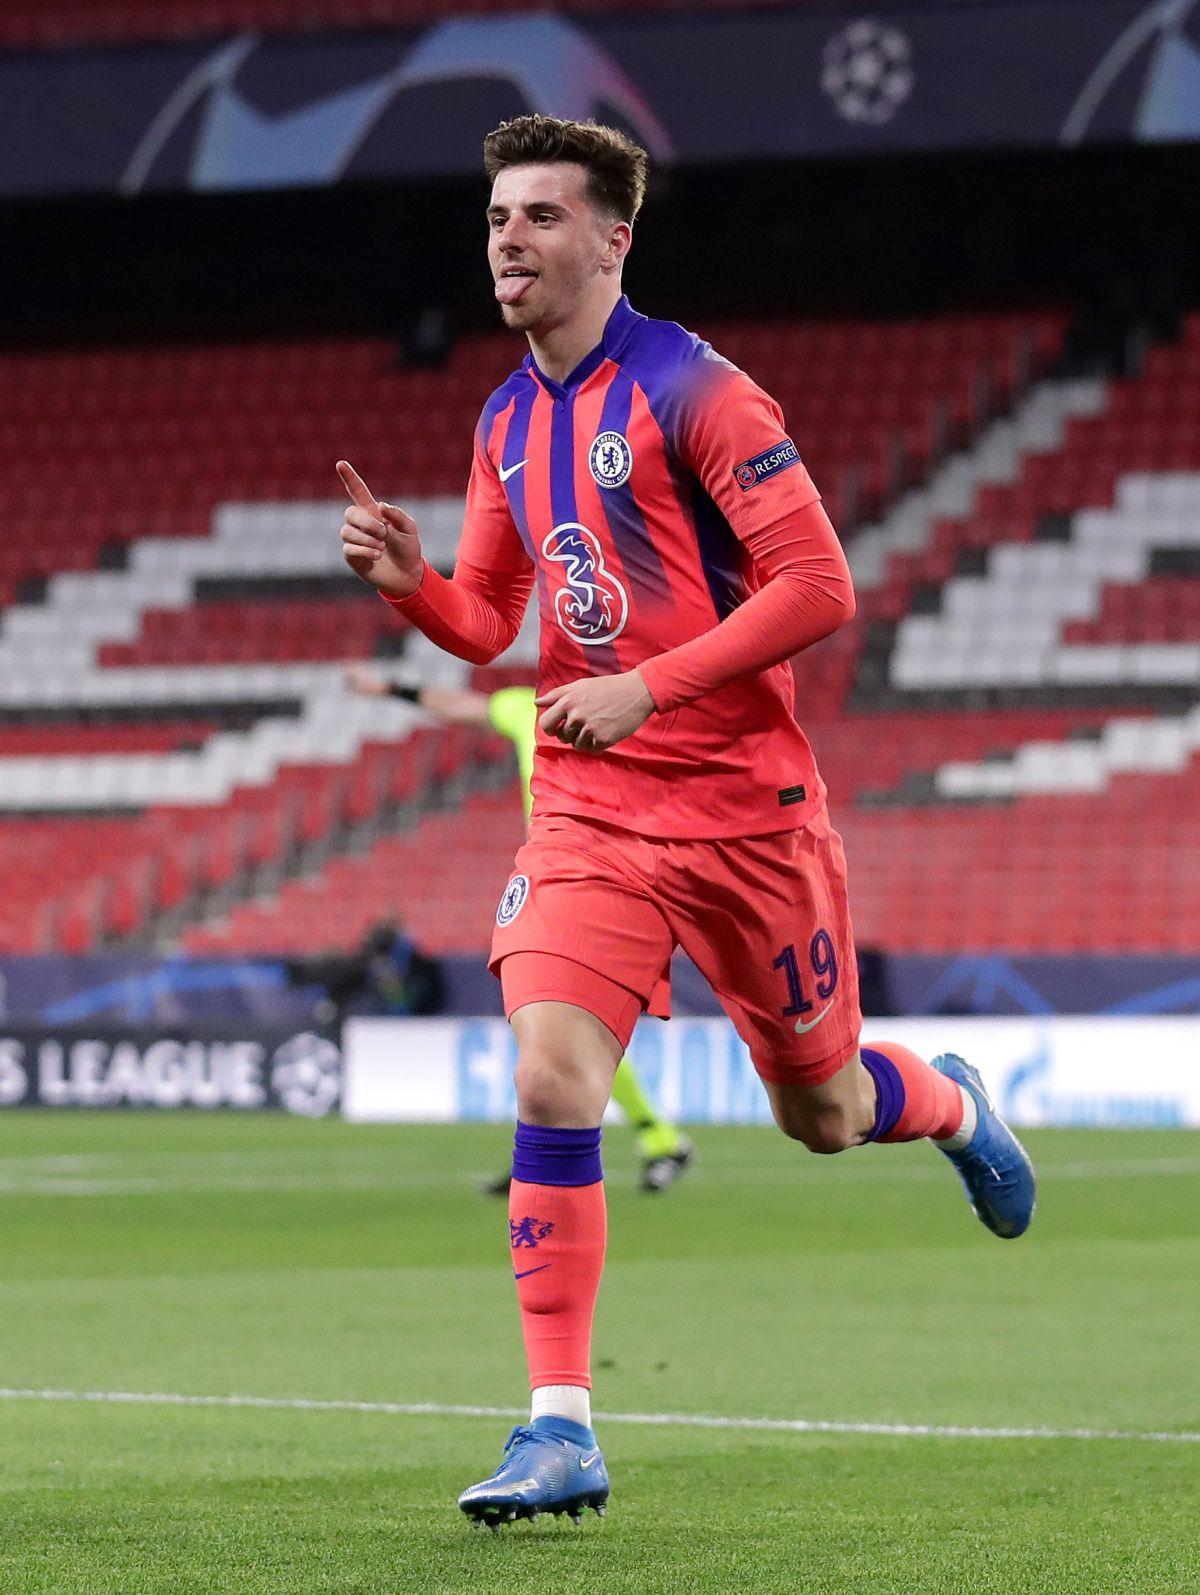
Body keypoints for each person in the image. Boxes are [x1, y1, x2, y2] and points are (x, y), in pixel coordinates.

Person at [336, 114, 1036, 1531]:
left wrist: (647, 684)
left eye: (540, 216)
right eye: (495, 218)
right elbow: (486, 625)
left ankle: (951, 1097)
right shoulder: (502, 418)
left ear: (614, 239)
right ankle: (559, 1425)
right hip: (594, 812)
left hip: (746, 815)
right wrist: (416, 583)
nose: (509, 241)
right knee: (548, 1077)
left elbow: (820, 585)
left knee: (825, 1112)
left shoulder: (702, 394)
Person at [345, 663, 694, 1193]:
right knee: (547, 1027)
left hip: (607, 871)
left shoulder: (625, 702)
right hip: (550, 872)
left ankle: (635, 1139)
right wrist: (394, 687)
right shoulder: (526, 705)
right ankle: (567, 1142)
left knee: (574, 1026)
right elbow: (459, 706)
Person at [284, 917, 443, 1029]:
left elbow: (397, 988)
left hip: (389, 1000)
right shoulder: (366, 960)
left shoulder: (393, 959)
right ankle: (329, 1002)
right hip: (361, 985)